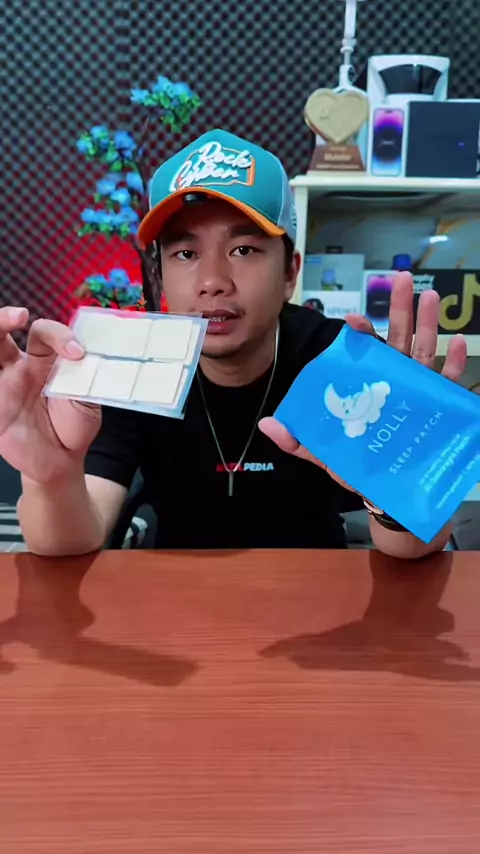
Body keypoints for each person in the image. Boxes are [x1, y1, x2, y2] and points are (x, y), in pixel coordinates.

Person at [0, 129, 467, 558]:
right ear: (161, 276)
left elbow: (414, 549)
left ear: (290, 273)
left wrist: (402, 474)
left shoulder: (335, 359)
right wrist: (51, 477)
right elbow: (73, 540)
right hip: (172, 601)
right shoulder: (132, 367)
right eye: (186, 253)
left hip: (319, 597)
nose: (213, 281)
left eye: (244, 250)